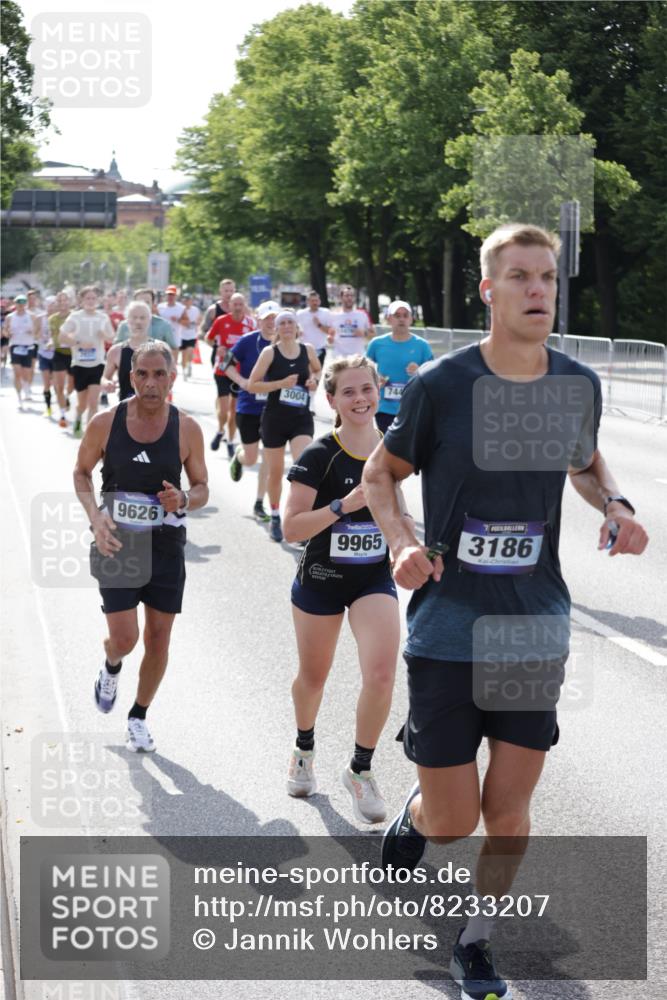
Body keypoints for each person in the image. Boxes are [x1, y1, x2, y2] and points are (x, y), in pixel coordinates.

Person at [362, 223, 649, 1000]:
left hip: (533, 625)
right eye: (519, 277)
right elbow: (379, 472)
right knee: (453, 818)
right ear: (487, 291)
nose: (537, 291)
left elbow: (583, 461)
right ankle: (420, 809)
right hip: (448, 626)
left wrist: (615, 503)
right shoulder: (441, 387)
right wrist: (400, 541)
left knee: (509, 808)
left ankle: (478, 941)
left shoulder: (573, 385)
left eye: (548, 278)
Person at [73, 341, 209, 753]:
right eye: (142, 374)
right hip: (116, 543)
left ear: (172, 377)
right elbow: (80, 472)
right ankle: (112, 664)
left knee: (159, 638)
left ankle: (138, 716)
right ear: (129, 377)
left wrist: (184, 499)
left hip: (166, 544)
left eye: (159, 374)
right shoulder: (104, 422)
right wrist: (95, 517)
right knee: (126, 638)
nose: (151, 383)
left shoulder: (186, 428)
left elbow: (202, 487)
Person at [283, 355, 401, 823]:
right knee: (314, 678)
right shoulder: (318, 454)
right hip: (322, 580)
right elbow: (291, 526)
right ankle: (303, 748)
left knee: (381, 675)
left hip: (372, 577)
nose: (359, 399)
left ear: (379, 390)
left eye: (366, 389)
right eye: (348, 392)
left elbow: (399, 512)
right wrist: (342, 505)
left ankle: (360, 769)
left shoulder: (391, 450)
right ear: (331, 399)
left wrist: (411, 542)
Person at [247, 309, 321, 542]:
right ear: (277, 328)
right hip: (275, 419)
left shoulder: (307, 350)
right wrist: (279, 384)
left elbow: (318, 370)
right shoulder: (270, 353)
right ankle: (276, 515)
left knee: (303, 467)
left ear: (296, 326)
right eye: (282, 323)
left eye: (290, 322)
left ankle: (299, 519)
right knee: (276, 471)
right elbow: (252, 384)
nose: (287, 326)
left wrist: (313, 380)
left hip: (301, 417)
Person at [227, 300, 281, 521]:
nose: (271, 323)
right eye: (267, 318)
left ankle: (260, 503)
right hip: (248, 406)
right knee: (251, 458)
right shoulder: (247, 342)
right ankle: (239, 458)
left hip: (275, 408)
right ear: (258, 320)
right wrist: (242, 381)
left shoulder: (286, 344)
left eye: (274, 318)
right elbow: (225, 365)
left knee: (269, 457)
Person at [366, 300, 433, 433]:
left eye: (405, 315)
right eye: (397, 315)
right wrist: (375, 377)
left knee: (409, 450)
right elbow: (364, 368)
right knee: (388, 447)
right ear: (389, 319)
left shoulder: (422, 345)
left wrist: (420, 370)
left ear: (411, 319)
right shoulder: (377, 344)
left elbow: (434, 375)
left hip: (413, 407)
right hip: (384, 407)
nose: (401, 319)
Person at [59, 286, 114, 437]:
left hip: (97, 364)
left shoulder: (103, 317)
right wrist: (77, 342)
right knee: (82, 404)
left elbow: (112, 337)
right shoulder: (75, 317)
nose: (91, 301)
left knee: (93, 403)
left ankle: (90, 435)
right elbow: (62, 337)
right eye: (87, 298)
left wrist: (105, 335)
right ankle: (78, 418)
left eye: (93, 298)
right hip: (79, 364)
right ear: (81, 300)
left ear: (98, 300)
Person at [206, 292, 256, 457]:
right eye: (235, 304)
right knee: (224, 409)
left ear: (244, 306)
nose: (238, 307)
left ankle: (230, 439)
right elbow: (208, 338)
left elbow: (255, 344)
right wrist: (216, 347)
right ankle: (220, 430)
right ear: (230, 305)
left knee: (234, 410)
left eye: (241, 304)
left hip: (240, 372)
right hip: (222, 368)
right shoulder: (221, 321)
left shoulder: (250, 324)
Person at [102, 301, 151, 401]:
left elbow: (171, 375)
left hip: (154, 409)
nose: (138, 321)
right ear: (127, 320)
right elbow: (104, 378)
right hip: (126, 409)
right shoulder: (116, 351)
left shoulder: (161, 349)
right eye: (134, 317)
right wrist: (107, 383)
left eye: (142, 318)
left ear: (149, 320)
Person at [4, 294, 38, 408]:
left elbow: (37, 331)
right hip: (15, 346)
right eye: (19, 303)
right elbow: (4, 331)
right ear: (15, 304)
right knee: (17, 372)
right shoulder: (10, 317)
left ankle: (26, 386)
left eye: (23, 303)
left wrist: (32, 332)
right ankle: (19, 397)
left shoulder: (32, 316)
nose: (21, 305)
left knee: (27, 373)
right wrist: (8, 333)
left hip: (28, 346)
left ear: (26, 304)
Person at [48, 291, 75, 427]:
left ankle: (67, 397)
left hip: (74, 354)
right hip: (59, 353)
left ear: (69, 302)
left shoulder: (75, 317)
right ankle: (63, 414)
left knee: (71, 385)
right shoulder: (52, 319)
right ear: (56, 303)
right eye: (60, 300)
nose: (62, 303)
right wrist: (51, 342)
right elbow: (53, 337)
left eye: (65, 300)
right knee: (58, 386)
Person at [329, 284, 375, 358]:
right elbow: (330, 336)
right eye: (347, 295)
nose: (349, 298)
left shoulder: (363, 314)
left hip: (358, 357)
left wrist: (364, 333)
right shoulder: (333, 316)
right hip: (339, 357)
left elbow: (373, 334)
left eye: (352, 295)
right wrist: (330, 339)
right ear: (341, 298)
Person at [201, 278, 236, 367]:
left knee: (238, 379)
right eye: (226, 291)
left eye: (231, 291)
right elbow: (203, 330)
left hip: (237, 350)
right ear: (220, 291)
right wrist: (215, 345)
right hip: (220, 351)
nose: (229, 293)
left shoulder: (242, 309)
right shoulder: (213, 310)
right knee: (221, 378)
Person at [296, 290, 334, 368]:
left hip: (320, 349)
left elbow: (330, 331)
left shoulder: (326, 313)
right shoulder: (300, 314)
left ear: (319, 301)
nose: (315, 303)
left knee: (318, 374)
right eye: (312, 301)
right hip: (304, 349)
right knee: (305, 375)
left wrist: (319, 325)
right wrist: (298, 331)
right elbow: (294, 328)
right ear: (308, 302)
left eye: (316, 300)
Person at [157, 285, 186, 366]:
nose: (170, 296)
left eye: (172, 295)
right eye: (169, 294)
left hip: (175, 337)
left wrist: (178, 320)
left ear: (176, 296)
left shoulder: (181, 308)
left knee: (173, 362)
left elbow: (187, 322)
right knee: (161, 361)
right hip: (161, 338)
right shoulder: (160, 307)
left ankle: (171, 377)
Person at [179, 292, 201, 379]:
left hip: (192, 335)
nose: (186, 302)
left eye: (188, 300)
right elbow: (178, 320)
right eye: (185, 300)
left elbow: (199, 319)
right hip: (181, 336)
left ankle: (189, 365)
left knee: (190, 352)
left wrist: (196, 324)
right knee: (184, 355)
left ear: (191, 301)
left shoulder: (195, 310)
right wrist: (184, 323)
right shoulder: (180, 310)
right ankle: (184, 372)